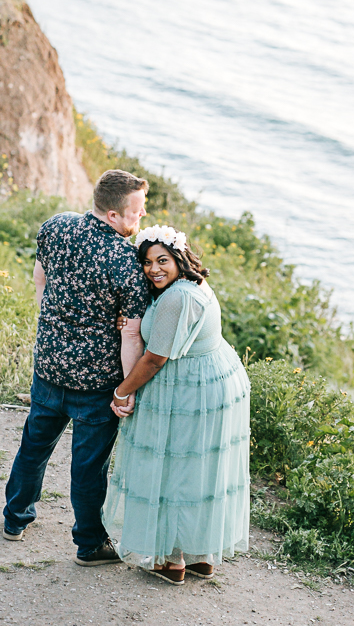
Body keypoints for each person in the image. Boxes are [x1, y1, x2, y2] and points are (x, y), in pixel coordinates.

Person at [2, 170, 150, 566]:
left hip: (48, 368)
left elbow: (40, 280)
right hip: (96, 384)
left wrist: (53, 327)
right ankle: (88, 544)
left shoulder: (55, 226)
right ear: (114, 216)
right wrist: (128, 389)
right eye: (137, 211)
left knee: (33, 448)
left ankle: (15, 519)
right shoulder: (126, 262)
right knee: (88, 467)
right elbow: (132, 336)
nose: (142, 217)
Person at [102, 225, 250, 585]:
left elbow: (154, 359)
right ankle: (201, 557)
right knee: (198, 468)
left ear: (179, 258)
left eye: (162, 260)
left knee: (175, 469)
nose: (153, 269)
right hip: (213, 379)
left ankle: (171, 561)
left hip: (190, 389)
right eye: (147, 262)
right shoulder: (190, 285)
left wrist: (122, 392)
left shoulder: (177, 298)